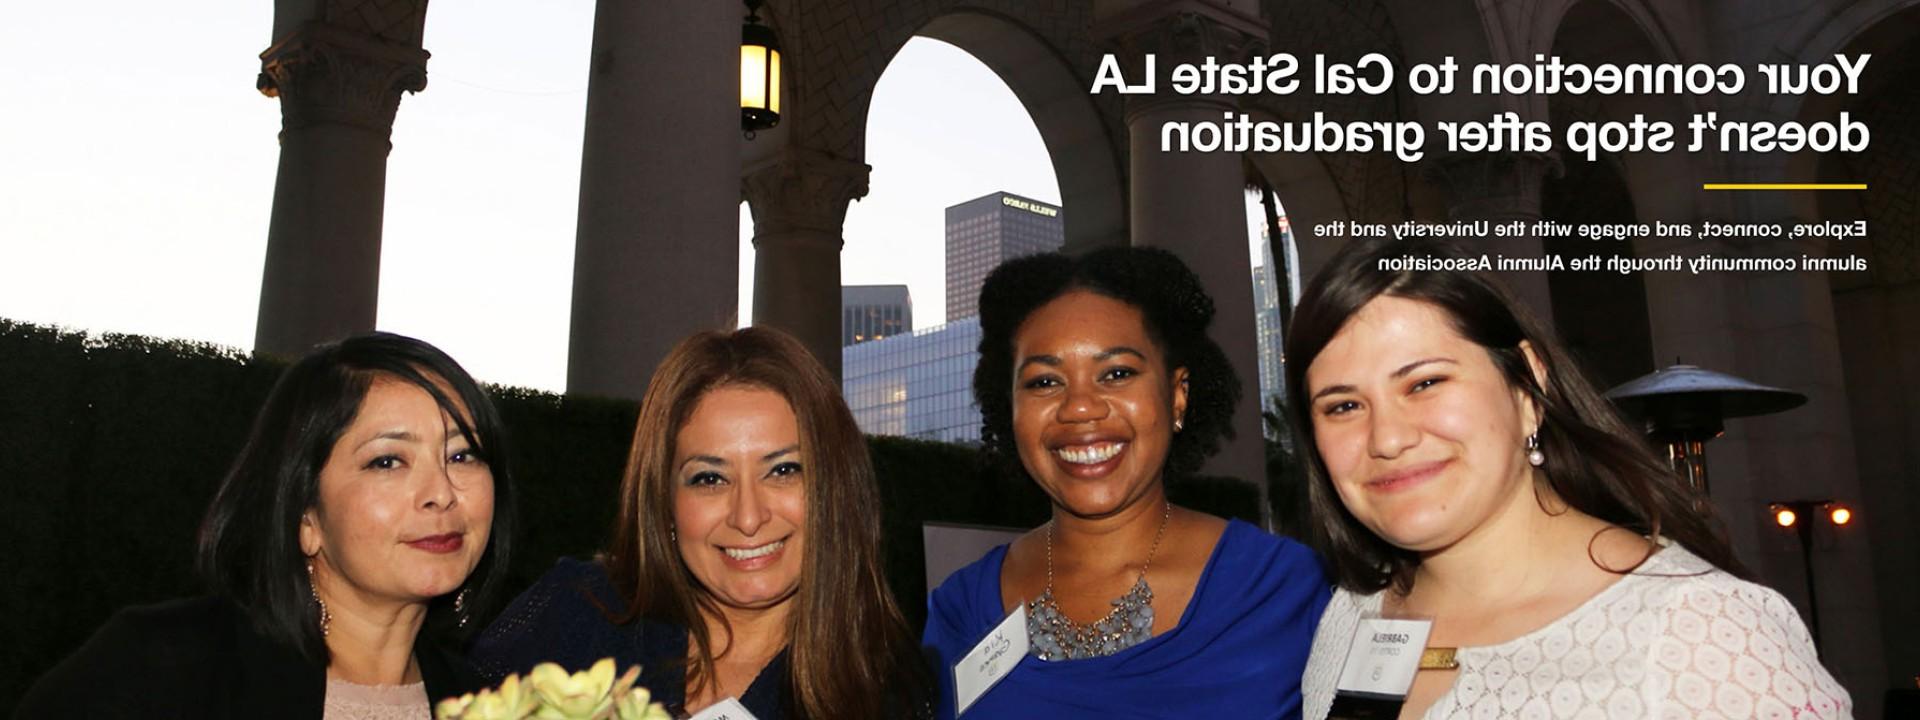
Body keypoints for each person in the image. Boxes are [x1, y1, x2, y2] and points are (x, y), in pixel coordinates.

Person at [1289, 238, 1851, 719]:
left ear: (1527, 384)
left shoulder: (1707, 634)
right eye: (1342, 407)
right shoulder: (1352, 614)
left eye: (1426, 383)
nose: (1387, 438)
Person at [923, 247, 1330, 719]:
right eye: (1044, 382)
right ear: (1008, 408)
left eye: (1117, 374)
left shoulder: (1282, 591)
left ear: (1177, 396)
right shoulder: (960, 611)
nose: (1080, 407)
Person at [19, 332, 512, 718]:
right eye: (387, 461)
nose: (441, 493)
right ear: (304, 516)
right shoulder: (161, 669)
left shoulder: (497, 705)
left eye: (462, 454)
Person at [470, 327, 932, 719]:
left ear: (835, 489)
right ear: (664, 502)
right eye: (709, 478)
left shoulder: (888, 691)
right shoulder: (572, 614)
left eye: (784, 470)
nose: (748, 517)